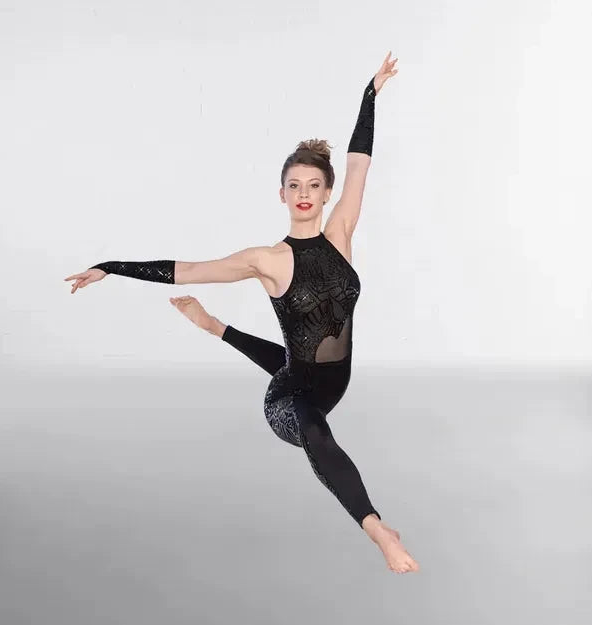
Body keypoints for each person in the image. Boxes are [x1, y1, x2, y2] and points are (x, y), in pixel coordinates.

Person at [64, 52, 419, 574]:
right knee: (312, 427)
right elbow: (187, 269)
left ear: (327, 194)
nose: (304, 194)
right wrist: (109, 267)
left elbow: (359, 163)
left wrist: (370, 94)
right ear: (281, 194)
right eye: (294, 186)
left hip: (326, 381)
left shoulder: (341, 233)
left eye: (313, 186)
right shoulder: (266, 260)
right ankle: (377, 529)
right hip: (289, 402)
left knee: (294, 359)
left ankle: (213, 326)